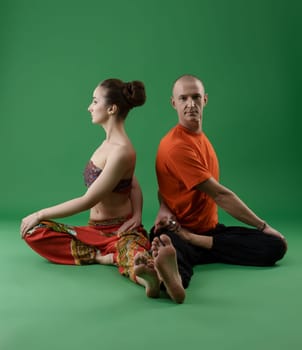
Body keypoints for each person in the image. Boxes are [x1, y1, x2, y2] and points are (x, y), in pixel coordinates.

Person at [20, 78, 161, 299]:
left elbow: (88, 200)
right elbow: (133, 182)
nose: (90, 107)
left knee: (134, 256)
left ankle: (149, 280)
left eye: (95, 101)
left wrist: (40, 213)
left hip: (120, 231)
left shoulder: (121, 151)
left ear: (112, 109)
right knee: (33, 231)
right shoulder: (107, 145)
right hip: (94, 232)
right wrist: (139, 212)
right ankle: (101, 256)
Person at [150, 74, 287, 299]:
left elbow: (167, 187)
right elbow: (221, 195)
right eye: (183, 98)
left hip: (206, 233)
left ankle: (191, 247)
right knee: (174, 255)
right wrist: (262, 226)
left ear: (205, 100)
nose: (190, 104)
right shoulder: (176, 146)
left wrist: (165, 206)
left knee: (275, 246)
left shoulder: (200, 139)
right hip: (177, 231)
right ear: (174, 103)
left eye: (195, 97)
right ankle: (167, 277)